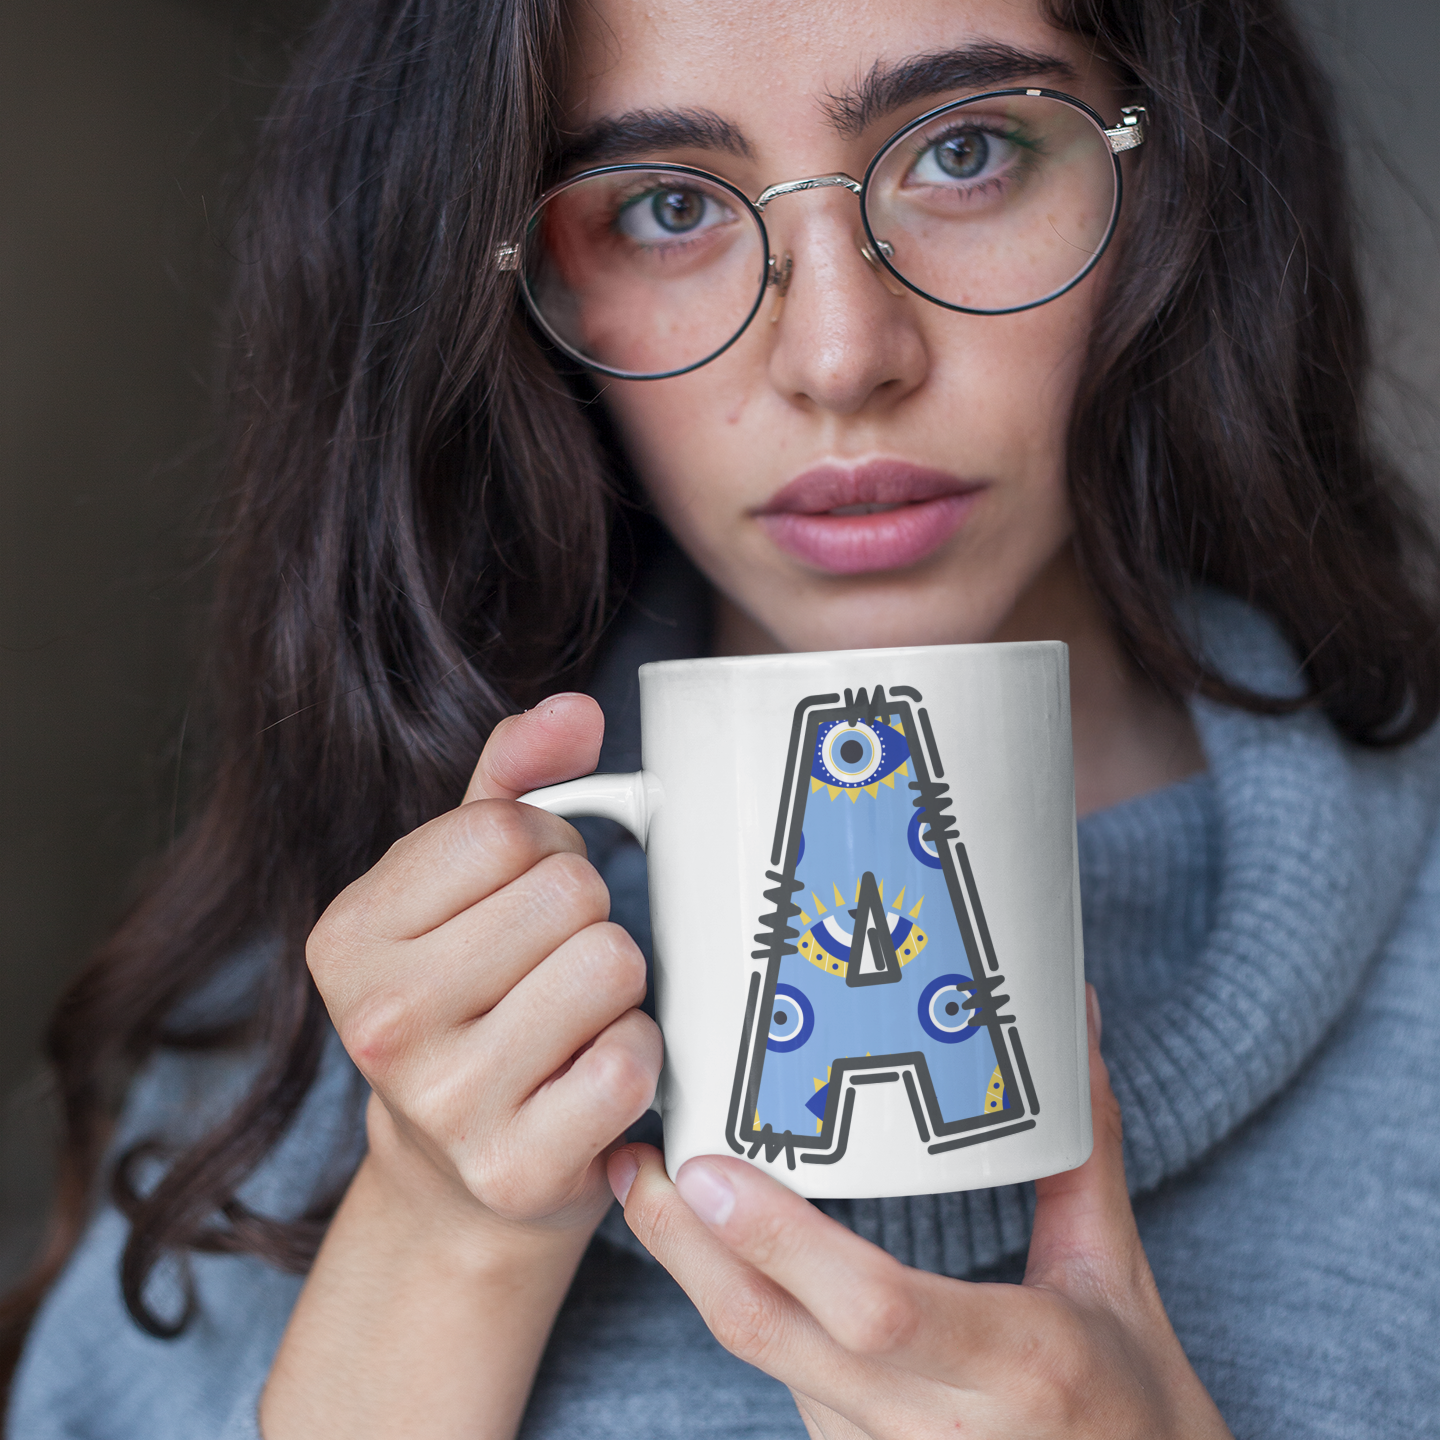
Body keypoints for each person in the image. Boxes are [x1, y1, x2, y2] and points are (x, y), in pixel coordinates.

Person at [4, 0, 1439, 1434]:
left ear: (1174, 177)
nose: (836, 355)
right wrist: (441, 1245)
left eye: (969, 150)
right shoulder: (339, 999)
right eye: (670, 205)